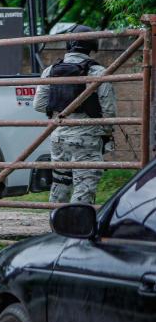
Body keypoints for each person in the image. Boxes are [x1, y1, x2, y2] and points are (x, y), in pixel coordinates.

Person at [34, 25, 116, 204]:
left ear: (69, 44)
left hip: (59, 137)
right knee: (84, 186)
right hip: (86, 137)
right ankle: (78, 229)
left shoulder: (50, 71)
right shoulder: (98, 72)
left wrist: (59, 111)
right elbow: (109, 112)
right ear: (93, 46)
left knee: (60, 183)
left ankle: (56, 226)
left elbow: (39, 105)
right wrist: (104, 132)